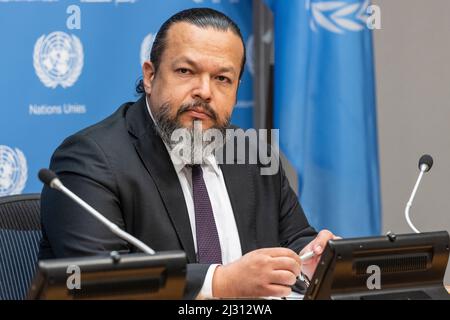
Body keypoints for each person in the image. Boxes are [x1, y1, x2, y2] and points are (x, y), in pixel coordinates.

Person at [39, 8, 338, 299]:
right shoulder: (91, 159)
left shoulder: (252, 154)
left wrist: (313, 257)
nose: (204, 91)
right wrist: (219, 283)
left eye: (222, 78)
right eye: (185, 71)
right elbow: (97, 283)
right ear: (150, 76)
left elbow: (295, 239)